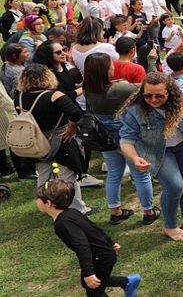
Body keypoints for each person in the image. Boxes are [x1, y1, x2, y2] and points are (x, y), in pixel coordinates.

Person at [119, 71, 183, 241]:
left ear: (170, 92)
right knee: (174, 186)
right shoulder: (135, 110)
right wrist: (135, 158)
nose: (153, 100)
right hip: (155, 151)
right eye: (148, 95)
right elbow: (126, 140)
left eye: (159, 96)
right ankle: (170, 226)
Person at [83, 53, 158, 226]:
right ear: (104, 71)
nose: (113, 67)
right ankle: (148, 211)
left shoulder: (90, 90)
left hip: (107, 140)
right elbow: (151, 84)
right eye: (110, 65)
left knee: (114, 175)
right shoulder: (120, 90)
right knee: (141, 175)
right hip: (129, 140)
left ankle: (115, 212)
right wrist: (152, 61)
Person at [36, 180, 141, 297]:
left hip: (101, 258)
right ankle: (127, 282)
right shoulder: (71, 212)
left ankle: (127, 282)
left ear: (48, 203)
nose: (36, 200)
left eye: (38, 198)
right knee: (90, 283)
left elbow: (82, 246)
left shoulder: (63, 223)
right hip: (102, 254)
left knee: (94, 291)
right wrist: (109, 242)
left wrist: (88, 272)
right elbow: (93, 227)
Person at [19, 63, 92, 214]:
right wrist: (71, 128)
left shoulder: (19, 97)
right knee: (68, 176)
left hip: (37, 141)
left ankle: (46, 207)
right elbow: (75, 113)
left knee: (43, 176)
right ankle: (78, 208)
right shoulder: (54, 95)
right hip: (61, 139)